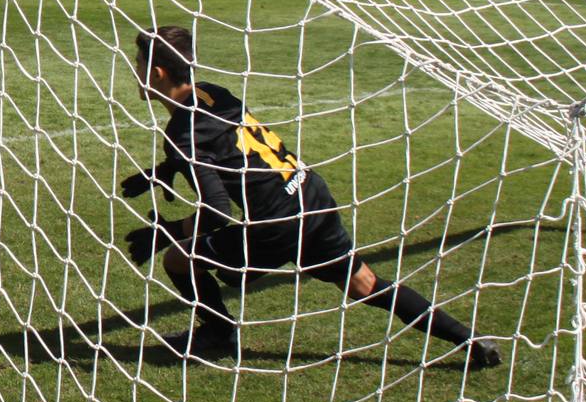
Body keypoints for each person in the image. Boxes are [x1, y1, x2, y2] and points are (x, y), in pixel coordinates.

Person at [120, 26, 502, 367]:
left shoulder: (182, 133)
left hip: (276, 224)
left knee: (179, 259)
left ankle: (218, 334)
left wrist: (166, 231)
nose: (136, 72)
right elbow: (232, 147)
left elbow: (218, 209)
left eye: (138, 64)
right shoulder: (214, 94)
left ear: (157, 73)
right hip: (310, 195)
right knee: (363, 284)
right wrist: (164, 171)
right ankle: (468, 340)